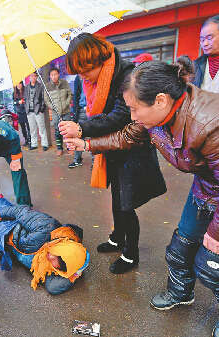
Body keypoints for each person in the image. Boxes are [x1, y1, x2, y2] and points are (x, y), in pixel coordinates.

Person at [65, 58, 219, 337]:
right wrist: (86, 144)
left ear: (161, 100)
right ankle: (181, 292)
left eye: (134, 109)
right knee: (180, 248)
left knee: (213, 265)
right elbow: (127, 136)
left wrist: (218, 233)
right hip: (211, 183)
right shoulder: (158, 114)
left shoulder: (213, 122)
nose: (132, 116)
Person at [58, 33, 166, 274]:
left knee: (126, 204)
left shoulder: (127, 75)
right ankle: (118, 238)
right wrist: (77, 127)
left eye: (85, 71)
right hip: (112, 149)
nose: (82, 77)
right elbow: (96, 114)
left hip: (131, 147)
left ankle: (131, 254)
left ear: (97, 60)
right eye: (79, 72)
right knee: (117, 199)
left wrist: (82, 128)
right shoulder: (91, 81)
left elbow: (120, 117)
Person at [0, 205, 90, 295]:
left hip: (4, 245)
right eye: (56, 254)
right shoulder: (46, 227)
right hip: (8, 226)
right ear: (61, 247)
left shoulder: (50, 269)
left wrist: (74, 274)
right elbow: (21, 212)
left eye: (53, 261)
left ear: (59, 270)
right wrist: (2, 214)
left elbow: (53, 287)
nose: (50, 256)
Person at [45, 67, 72, 156]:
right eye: (52, 75)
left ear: (58, 74)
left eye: (55, 74)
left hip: (66, 111)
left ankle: (69, 147)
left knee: (68, 129)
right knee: (57, 130)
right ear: (50, 76)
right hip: (55, 112)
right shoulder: (47, 86)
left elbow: (69, 94)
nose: (54, 76)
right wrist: (53, 107)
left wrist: (66, 103)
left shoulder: (64, 83)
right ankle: (59, 148)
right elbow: (47, 100)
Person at [24, 72, 49, 151]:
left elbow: (43, 99)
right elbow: (25, 98)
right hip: (29, 111)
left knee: (42, 128)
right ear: (29, 77)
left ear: (37, 77)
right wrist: (26, 108)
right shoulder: (26, 87)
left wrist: (41, 109)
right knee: (32, 129)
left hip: (38, 110)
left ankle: (45, 144)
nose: (33, 77)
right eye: (31, 76)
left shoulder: (40, 86)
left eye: (35, 76)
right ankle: (34, 144)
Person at [68, 74, 87, 168]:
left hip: (95, 110)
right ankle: (77, 160)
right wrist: (75, 114)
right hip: (82, 109)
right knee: (78, 135)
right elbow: (76, 95)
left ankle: (95, 163)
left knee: (94, 137)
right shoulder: (78, 77)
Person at [14, 81, 31, 147]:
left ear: (22, 84)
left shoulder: (25, 91)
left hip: (26, 111)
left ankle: (30, 140)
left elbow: (28, 99)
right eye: (17, 84)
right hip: (19, 113)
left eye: (20, 83)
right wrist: (18, 102)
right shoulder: (15, 93)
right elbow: (14, 102)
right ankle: (26, 139)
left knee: (28, 126)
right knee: (23, 127)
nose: (19, 85)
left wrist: (24, 101)